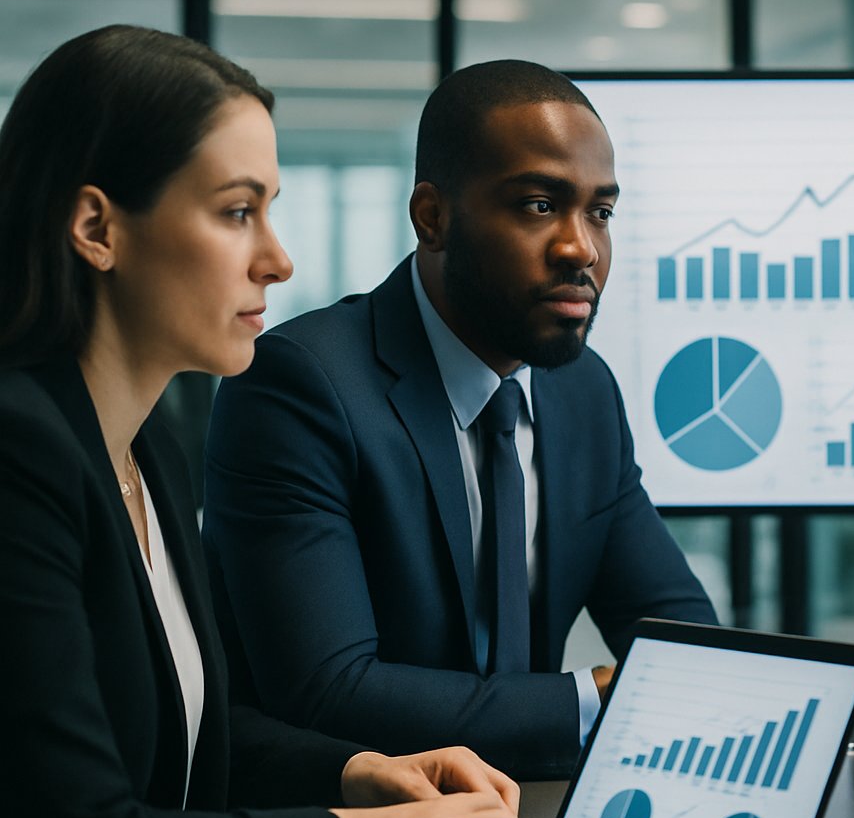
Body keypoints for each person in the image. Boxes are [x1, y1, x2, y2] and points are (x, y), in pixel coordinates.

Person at [0, 26, 524, 818]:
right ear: (97, 229)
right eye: (238, 211)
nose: (277, 260)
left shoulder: (148, 450)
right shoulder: (18, 457)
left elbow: (182, 736)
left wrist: (357, 773)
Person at [202, 60, 717, 780]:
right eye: (539, 205)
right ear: (433, 217)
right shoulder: (301, 384)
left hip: (531, 811)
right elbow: (327, 690)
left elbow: (685, 641)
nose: (582, 248)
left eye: (600, 212)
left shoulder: (583, 392)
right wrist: (597, 699)